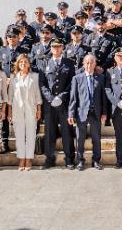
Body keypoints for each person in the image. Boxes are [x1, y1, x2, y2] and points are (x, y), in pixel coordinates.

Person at [40, 39, 76, 169]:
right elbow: (42, 84)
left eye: (59, 46)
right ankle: (49, 158)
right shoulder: (45, 63)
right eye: (54, 46)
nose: (56, 49)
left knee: (67, 132)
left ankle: (69, 159)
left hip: (64, 103)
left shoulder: (69, 63)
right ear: (51, 48)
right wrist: (50, 98)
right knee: (49, 132)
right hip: (50, 105)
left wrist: (61, 97)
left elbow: (72, 83)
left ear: (63, 48)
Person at [68, 54, 107, 171]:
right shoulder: (77, 78)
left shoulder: (100, 78)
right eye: (87, 63)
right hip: (81, 113)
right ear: (83, 64)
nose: (89, 65)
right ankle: (80, 161)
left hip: (96, 113)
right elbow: (73, 98)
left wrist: (104, 113)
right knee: (80, 139)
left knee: (96, 138)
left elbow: (103, 98)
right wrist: (71, 114)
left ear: (95, 64)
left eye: (92, 62)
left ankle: (96, 160)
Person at [7, 54, 42, 170]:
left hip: (31, 109)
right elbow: (10, 97)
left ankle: (29, 159)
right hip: (17, 110)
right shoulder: (13, 78)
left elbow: (38, 95)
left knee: (31, 135)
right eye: (21, 62)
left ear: (28, 64)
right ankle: (22, 159)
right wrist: (9, 113)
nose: (23, 64)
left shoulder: (34, 77)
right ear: (18, 64)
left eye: (25, 62)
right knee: (20, 135)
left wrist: (38, 110)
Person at [0, 28, 29, 153]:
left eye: (14, 36)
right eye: (9, 36)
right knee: (4, 115)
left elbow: (27, 67)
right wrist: (3, 79)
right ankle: (4, 142)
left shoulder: (24, 51)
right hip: (4, 87)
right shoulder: (1, 51)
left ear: (18, 37)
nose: (12, 39)